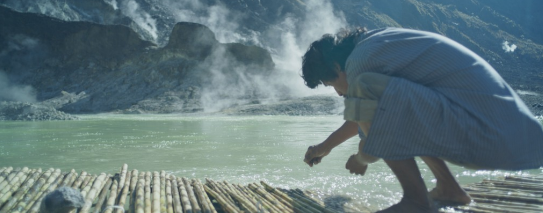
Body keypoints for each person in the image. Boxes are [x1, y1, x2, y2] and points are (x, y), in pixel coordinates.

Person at [301, 27, 543, 212]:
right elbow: (366, 117)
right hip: (513, 138)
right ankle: (449, 188)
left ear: (335, 65)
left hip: (490, 136)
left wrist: (362, 158)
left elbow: (374, 134)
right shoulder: (374, 44)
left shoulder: (360, 64)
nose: (337, 92)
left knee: (364, 87)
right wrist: (324, 148)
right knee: (378, 94)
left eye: (330, 83)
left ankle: (415, 199)